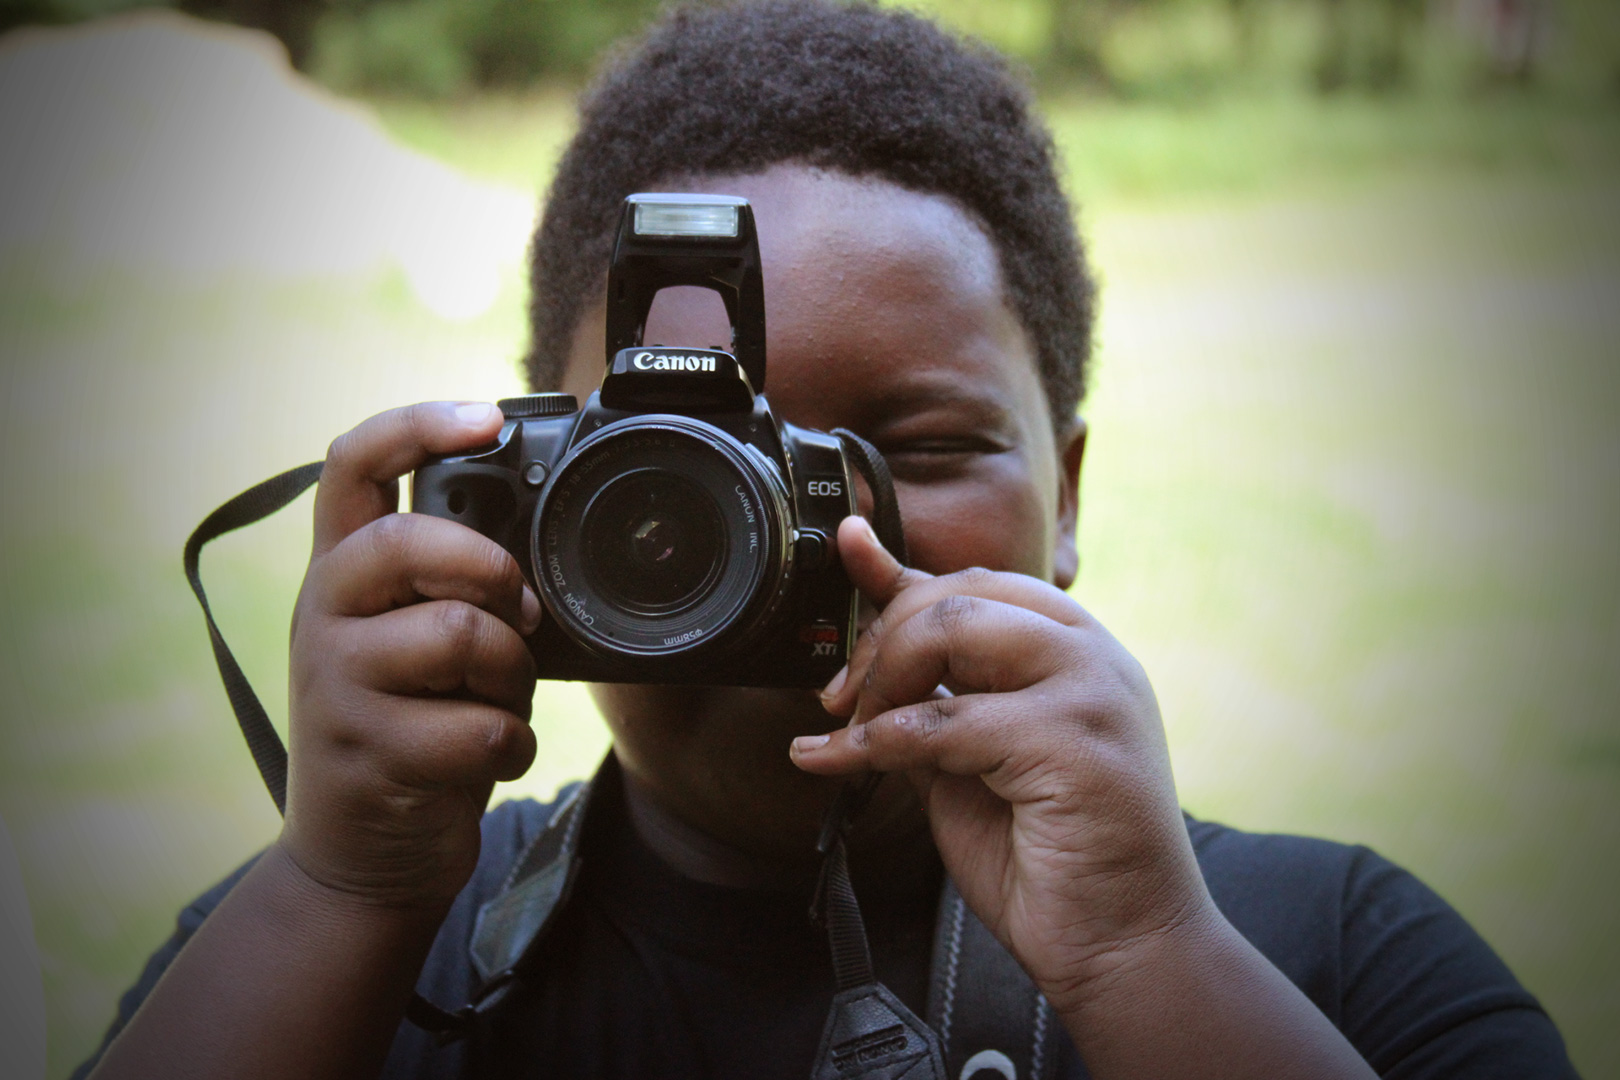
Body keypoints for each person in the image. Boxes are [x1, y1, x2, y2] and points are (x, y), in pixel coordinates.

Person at [79, 3, 1577, 1078]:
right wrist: (339, 894)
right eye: (679, 480)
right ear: (517, 499)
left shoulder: (1326, 953)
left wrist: (1140, 959)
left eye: (914, 450)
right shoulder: (346, 940)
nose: (800, 534)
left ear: (1070, 498)